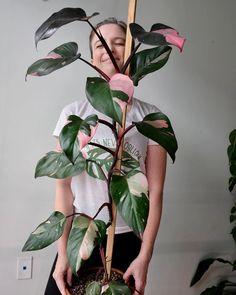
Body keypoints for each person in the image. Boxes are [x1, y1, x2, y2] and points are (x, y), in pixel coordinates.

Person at [44, 17, 167, 295]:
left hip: (127, 240)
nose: (109, 49)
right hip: (82, 235)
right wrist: (63, 253)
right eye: (100, 44)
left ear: (132, 53)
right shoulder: (73, 114)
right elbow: (63, 189)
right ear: (91, 57)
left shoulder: (150, 118)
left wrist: (144, 257)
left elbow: (156, 193)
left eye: (119, 42)